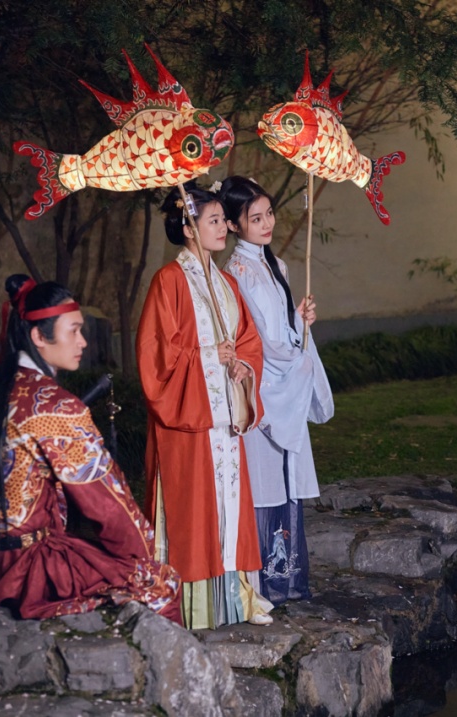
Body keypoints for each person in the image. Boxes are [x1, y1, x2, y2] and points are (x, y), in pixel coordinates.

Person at [0, 275, 181, 623]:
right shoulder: (56, 407)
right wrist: (145, 556)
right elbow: (109, 507)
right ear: (39, 337)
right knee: (159, 584)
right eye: (74, 330)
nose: (83, 342)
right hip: (21, 569)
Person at [136, 182, 273, 629]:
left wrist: (241, 367)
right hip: (189, 419)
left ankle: (235, 601)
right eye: (213, 221)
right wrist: (209, 358)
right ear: (188, 228)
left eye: (221, 221)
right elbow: (157, 356)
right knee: (192, 513)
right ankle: (189, 607)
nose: (223, 228)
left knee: (230, 510)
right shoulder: (168, 282)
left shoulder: (226, 282)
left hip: (224, 418)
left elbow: (248, 340)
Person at [219, 176, 334, 605]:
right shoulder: (237, 273)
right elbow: (260, 342)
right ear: (234, 225)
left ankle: (287, 578)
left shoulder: (277, 265)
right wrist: (294, 353)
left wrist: (299, 321)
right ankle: (264, 581)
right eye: (255, 218)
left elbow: (281, 332)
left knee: (286, 480)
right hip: (265, 386)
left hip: (284, 378)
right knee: (266, 481)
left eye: (269, 214)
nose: (267, 224)